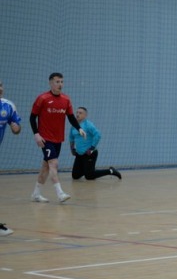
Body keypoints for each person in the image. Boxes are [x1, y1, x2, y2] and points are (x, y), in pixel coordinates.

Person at [30, 73, 85, 204]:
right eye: (57, 82)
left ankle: (36, 194)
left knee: (46, 167)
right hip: (45, 138)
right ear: (50, 83)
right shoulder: (42, 98)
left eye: (61, 82)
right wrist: (36, 134)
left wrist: (79, 128)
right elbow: (32, 117)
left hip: (58, 139)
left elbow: (71, 117)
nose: (60, 84)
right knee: (54, 164)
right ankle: (60, 193)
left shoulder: (66, 99)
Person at [69, 107, 122, 181]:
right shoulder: (74, 126)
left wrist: (91, 149)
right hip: (79, 154)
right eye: (77, 112)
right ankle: (88, 170)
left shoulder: (88, 125)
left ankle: (111, 171)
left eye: (80, 113)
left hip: (89, 153)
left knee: (89, 176)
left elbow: (98, 135)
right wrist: (72, 149)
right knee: (75, 176)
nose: (77, 114)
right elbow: (71, 138)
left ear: (85, 115)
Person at [0, 79, 23, 235]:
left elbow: (17, 127)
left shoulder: (8, 106)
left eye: (1, 86)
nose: (0, 89)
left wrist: (16, 128)